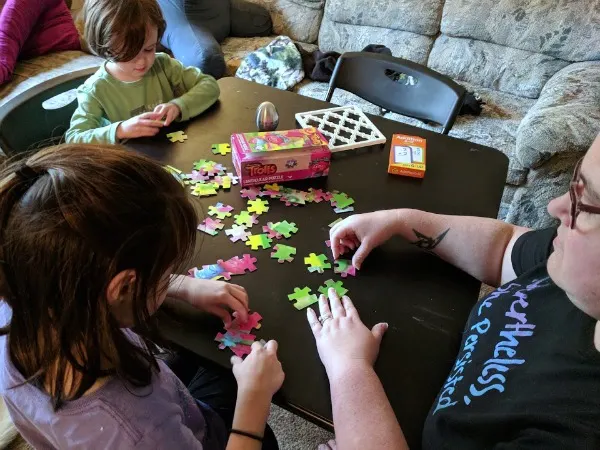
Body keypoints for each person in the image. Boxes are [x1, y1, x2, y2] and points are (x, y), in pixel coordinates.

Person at [313, 134, 600, 449]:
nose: (555, 206)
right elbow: (503, 249)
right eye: (575, 184)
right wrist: (401, 221)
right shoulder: (571, 264)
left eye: (588, 205)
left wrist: (349, 369)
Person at [0, 143, 284, 449]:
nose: (171, 276)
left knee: (214, 358)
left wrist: (182, 286)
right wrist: (253, 406)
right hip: (200, 436)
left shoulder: (23, 294)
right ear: (123, 288)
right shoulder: (141, 435)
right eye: (165, 272)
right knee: (255, 414)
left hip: (154, 396)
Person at [65, 0, 220, 145]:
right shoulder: (95, 90)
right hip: (130, 164)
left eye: (149, 49)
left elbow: (209, 85)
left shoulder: (163, 65)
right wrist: (120, 130)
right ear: (105, 47)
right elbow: (74, 138)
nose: (142, 62)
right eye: (128, 54)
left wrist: (178, 106)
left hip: (170, 152)